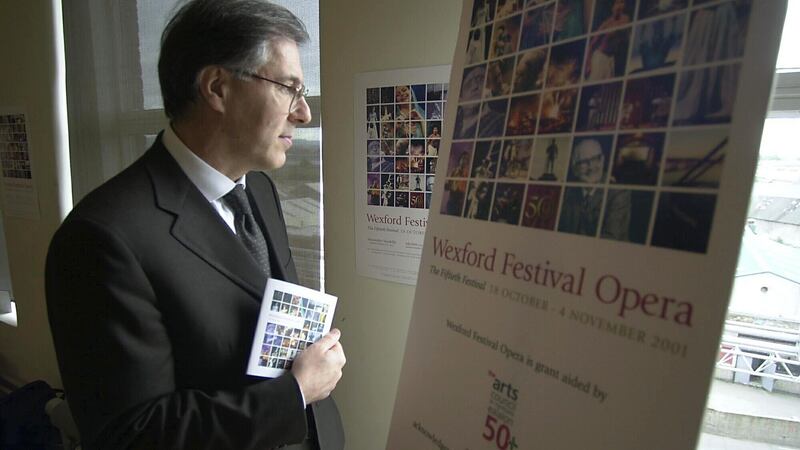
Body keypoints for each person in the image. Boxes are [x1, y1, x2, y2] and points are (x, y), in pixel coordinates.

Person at [45, 1, 345, 449]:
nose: (302, 113)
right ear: (217, 88)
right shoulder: (101, 238)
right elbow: (131, 435)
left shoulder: (259, 190)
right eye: (288, 87)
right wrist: (295, 393)